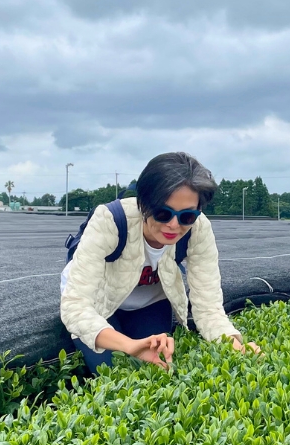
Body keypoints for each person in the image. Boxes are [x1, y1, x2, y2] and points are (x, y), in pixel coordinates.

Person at [60, 151, 259, 375]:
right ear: (144, 204)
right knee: (112, 374)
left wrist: (236, 346)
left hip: (149, 303)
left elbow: (208, 305)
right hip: (99, 302)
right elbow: (75, 307)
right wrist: (129, 346)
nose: (174, 225)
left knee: (155, 372)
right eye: (163, 213)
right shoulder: (110, 220)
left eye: (187, 216)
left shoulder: (198, 229)